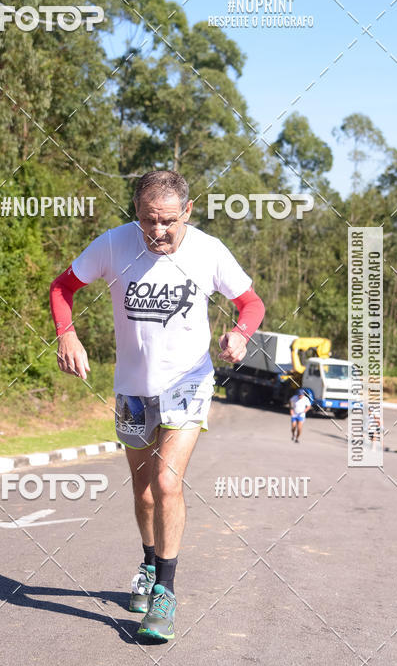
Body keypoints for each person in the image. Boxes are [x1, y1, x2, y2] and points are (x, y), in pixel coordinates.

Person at [49, 171, 265, 640]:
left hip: (188, 383)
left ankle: (165, 592)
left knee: (168, 482)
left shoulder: (208, 251)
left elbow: (251, 303)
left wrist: (240, 333)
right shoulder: (114, 244)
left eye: (169, 220)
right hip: (132, 389)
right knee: (144, 490)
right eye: (149, 220)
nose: (158, 231)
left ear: (188, 211)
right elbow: (61, 288)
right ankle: (149, 563)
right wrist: (66, 334)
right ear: (136, 212)